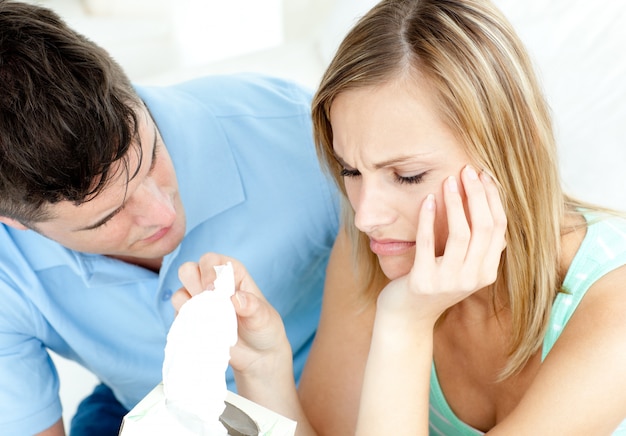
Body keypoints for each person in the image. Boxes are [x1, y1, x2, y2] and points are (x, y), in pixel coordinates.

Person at [175, 0, 626, 434]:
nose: (366, 216)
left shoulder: (614, 303)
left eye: (408, 176)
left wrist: (405, 324)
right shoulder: (375, 250)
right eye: (351, 170)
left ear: (511, 153)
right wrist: (264, 368)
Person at [0, 1, 339, 435]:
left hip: (317, 389)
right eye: (106, 218)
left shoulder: (296, 136)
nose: (163, 214)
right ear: (18, 223)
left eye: (152, 155)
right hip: (146, 404)